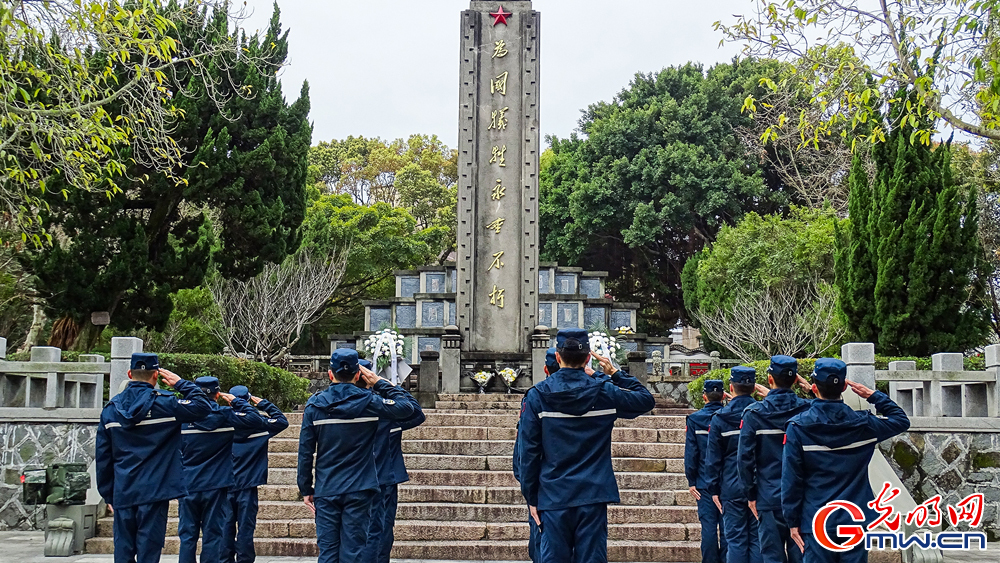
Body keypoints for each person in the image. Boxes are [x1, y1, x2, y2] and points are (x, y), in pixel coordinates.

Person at [517, 329, 656, 563]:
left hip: (553, 495)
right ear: (588, 359)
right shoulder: (604, 391)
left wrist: (531, 497)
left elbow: (528, 452)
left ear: (558, 358)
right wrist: (610, 374)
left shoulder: (537, 396)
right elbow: (645, 400)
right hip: (593, 493)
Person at [782, 358, 910, 563]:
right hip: (854, 518)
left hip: (816, 519)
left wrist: (792, 520)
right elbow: (901, 421)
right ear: (844, 386)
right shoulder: (864, 425)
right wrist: (873, 396)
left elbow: (791, 480)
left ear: (814, 387)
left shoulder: (798, 428)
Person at [297, 349, 416, 563]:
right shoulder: (370, 403)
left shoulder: (314, 406)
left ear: (329, 373)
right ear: (358, 374)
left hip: (327, 488)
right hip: (360, 488)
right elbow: (408, 408)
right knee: (354, 552)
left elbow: (305, 452)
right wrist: (380, 382)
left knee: (328, 551)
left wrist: (306, 488)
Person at [95, 354, 213, 563]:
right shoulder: (166, 404)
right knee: (149, 551)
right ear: (156, 376)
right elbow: (204, 407)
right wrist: (181, 384)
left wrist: (108, 494)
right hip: (155, 490)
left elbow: (103, 457)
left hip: (124, 489)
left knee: (122, 549)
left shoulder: (111, 410)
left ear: (130, 374)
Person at [178, 377, 268, 563]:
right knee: (213, 536)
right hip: (216, 484)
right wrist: (236, 401)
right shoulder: (225, 417)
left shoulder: (182, 419)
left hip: (188, 484)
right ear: (218, 394)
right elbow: (254, 419)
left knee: (187, 536)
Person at [737, 356, 812, 563]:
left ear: (770, 379)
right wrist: (809, 389)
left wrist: (750, 494)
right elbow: (827, 404)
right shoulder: (807, 410)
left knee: (771, 557)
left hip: (768, 495)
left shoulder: (754, 413)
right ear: (796, 379)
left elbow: (745, 459)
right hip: (802, 496)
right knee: (802, 555)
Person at [365, 358, 426, 563]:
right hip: (383, 477)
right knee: (381, 529)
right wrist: (387, 386)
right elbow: (416, 413)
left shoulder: (329, 404)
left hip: (349, 478)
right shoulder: (384, 408)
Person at [222, 385, 290, 563]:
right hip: (248, 484)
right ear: (247, 400)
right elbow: (282, 421)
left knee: (224, 527)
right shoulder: (259, 424)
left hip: (224, 484)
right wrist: (262, 403)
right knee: (246, 529)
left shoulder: (222, 422)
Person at [706, 366, 763, 563]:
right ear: (754, 388)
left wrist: (713, 488)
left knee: (736, 541)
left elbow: (713, 459)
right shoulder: (762, 414)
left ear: (730, 387)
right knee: (758, 541)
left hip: (730, 486)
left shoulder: (720, 418)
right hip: (759, 485)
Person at [512, 347, 559, 563]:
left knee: (543, 549)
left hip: (545, 489)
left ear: (545, 369)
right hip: (587, 492)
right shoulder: (595, 392)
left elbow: (526, 447)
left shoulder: (535, 396)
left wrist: (529, 491)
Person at [684, 379, 728, 563]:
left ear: (704, 397)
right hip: (727, 481)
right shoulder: (730, 417)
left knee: (708, 527)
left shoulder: (695, 419)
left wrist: (691, 480)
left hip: (703, 482)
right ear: (724, 396)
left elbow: (691, 452)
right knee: (727, 528)